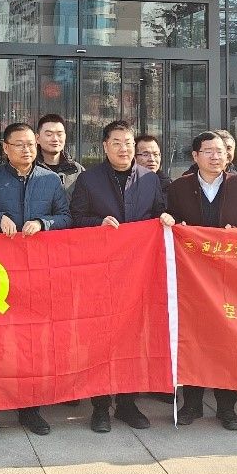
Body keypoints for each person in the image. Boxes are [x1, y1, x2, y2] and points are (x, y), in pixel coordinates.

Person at [0, 122, 71, 438]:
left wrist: (43, 222)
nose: (27, 149)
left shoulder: (50, 180)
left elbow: (67, 218)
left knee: (32, 346)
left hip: (37, 277)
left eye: (30, 144)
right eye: (19, 144)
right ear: (5, 148)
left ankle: (30, 409)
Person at [69, 120, 167, 432]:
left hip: (138, 274)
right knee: (99, 338)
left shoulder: (149, 179)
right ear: (104, 146)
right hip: (100, 273)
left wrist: (165, 219)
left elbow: (158, 214)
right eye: (117, 143)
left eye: (128, 143)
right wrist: (97, 224)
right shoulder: (89, 180)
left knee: (134, 339)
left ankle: (127, 403)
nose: (124, 149)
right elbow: (74, 218)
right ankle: (100, 406)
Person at [168, 131, 237, 430]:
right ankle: (192, 404)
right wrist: (172, 223)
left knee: (228, 342)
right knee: (194, 340)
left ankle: (227, 407)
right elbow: (167, 218)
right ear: (195, 156)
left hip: (230, 278)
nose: (215, 156)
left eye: (220, 151)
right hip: (193, 280)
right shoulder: (179, 187)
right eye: (208, 151)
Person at [35, 113, 84, 193]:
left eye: (59, 134)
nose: (55, 139)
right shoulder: (29, 168)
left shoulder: (76, 170)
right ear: (37, 138)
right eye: (49, 134)